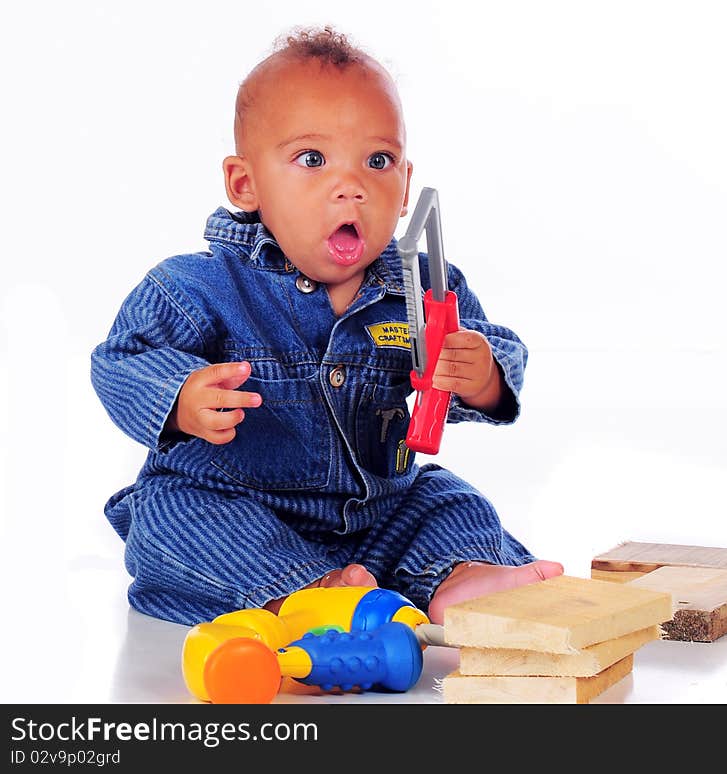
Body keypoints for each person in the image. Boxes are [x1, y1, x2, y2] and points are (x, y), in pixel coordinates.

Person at [91, 25, 563, 627]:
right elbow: (122, 357)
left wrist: (481, 375)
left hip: (378, 516)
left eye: (378, 161)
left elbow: (492, 351)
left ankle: (461, 577)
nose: (352, 187)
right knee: (169, 515)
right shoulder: (197, 287)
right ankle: (300, 595)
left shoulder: (423, 287)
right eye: (312, 160)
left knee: (445, 499)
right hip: (241, 511)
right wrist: (179, 396)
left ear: (406, 184)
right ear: (246, 183)